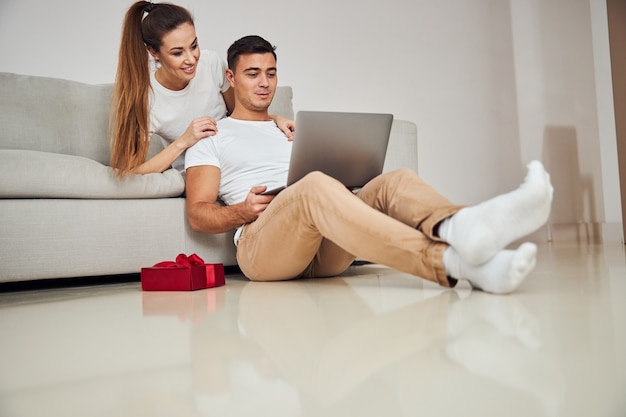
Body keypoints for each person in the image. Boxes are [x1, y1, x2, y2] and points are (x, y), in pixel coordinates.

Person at [184, 35, 554, 294]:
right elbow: (198, 214)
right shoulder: (213, 135)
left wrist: (340, 185)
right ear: (231, 78)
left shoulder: (292, 129)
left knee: (393, 181)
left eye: (271, 73)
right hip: (264, 248)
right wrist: (241, 211)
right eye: (252, 74)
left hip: (325, 249)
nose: (264, 83)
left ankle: (460, 225)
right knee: (312, 184)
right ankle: (452, 262)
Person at [109, 1, 294, 176]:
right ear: (153, 52)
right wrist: (184, 141)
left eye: (194, 46)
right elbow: (132, 171)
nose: (191, 59)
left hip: (234, 157)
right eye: (177, 53)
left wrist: (275, 119)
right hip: (199, 171)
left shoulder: (211, 63)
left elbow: (239, 113)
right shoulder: (146, 98)